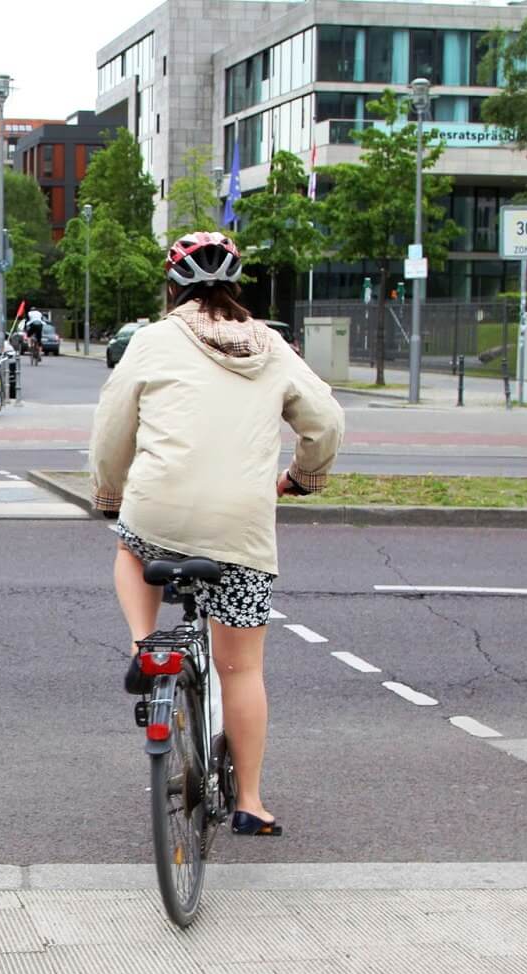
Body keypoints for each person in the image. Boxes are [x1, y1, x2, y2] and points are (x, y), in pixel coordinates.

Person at [89, 231, 344, 838]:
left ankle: (143, 646)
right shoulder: (272, 347)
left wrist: (109, 494)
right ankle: (251, 803)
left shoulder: (152, 341)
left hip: (159, 514)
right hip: (242, 528)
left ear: (171, 287)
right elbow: (327, 421)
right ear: (236, 287)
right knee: (242, 670)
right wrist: (301, 478)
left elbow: (110, 429)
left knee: (130, 547)